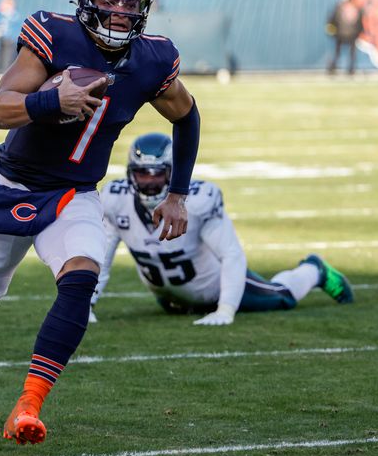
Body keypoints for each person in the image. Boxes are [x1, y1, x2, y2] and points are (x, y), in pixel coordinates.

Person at [0, 0, 201, 445]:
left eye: (131, 2)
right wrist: (49, 102)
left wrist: (178, 193)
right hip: (14, 184)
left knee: (81, 277)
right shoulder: (54, 35)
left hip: (75, 193)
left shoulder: (151, 59)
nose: (120, 11)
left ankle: (28, 406)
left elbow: (187, 115)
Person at [90, 132, 353, 326]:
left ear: (173, 173)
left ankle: (314, 270)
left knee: (281, 296)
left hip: (216, 285)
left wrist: (226, 308)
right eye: (142, 174)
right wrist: (86, 304)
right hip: (173, 297)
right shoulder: (115, 199)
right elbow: (101, 255)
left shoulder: (198, 200)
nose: (148, 182)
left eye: (156, 174)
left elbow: (231, 254)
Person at [326, 0, 364, 75]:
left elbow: (360, 22)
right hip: (343, 33)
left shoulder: (345, 7)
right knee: (340, 52)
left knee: (346, 52)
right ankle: (338, 68)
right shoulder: (344, 7)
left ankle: (349, 69)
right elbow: (333, 18)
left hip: (347, 34)